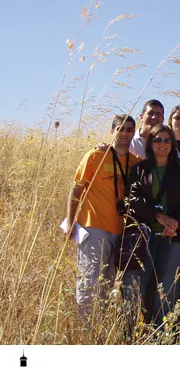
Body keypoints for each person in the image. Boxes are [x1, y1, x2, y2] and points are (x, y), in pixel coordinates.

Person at [65, 114, 142, 321]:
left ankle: (101, 329)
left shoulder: (136, 162)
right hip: (93, 226)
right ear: (112, 130)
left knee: (107, 282)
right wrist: (71, 222)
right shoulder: (95, 156)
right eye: (120, 128)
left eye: (129, 129)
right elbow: (76, 190)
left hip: (120, 230)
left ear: (133, 133)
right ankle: (86, 330)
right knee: (89, 281)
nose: (124, 133)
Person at [126, 124, 180, 325]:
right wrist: (159, 217)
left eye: (167, 140)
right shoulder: (139, 169)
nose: (162, 144)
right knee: (137, 285)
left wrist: (174, 222)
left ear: (172, 144)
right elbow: (132, 200)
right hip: (145, 237)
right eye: (158, 139)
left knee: (167, 287)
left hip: (176, 237)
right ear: (151, 143)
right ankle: (131, 333)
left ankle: (163, 334)